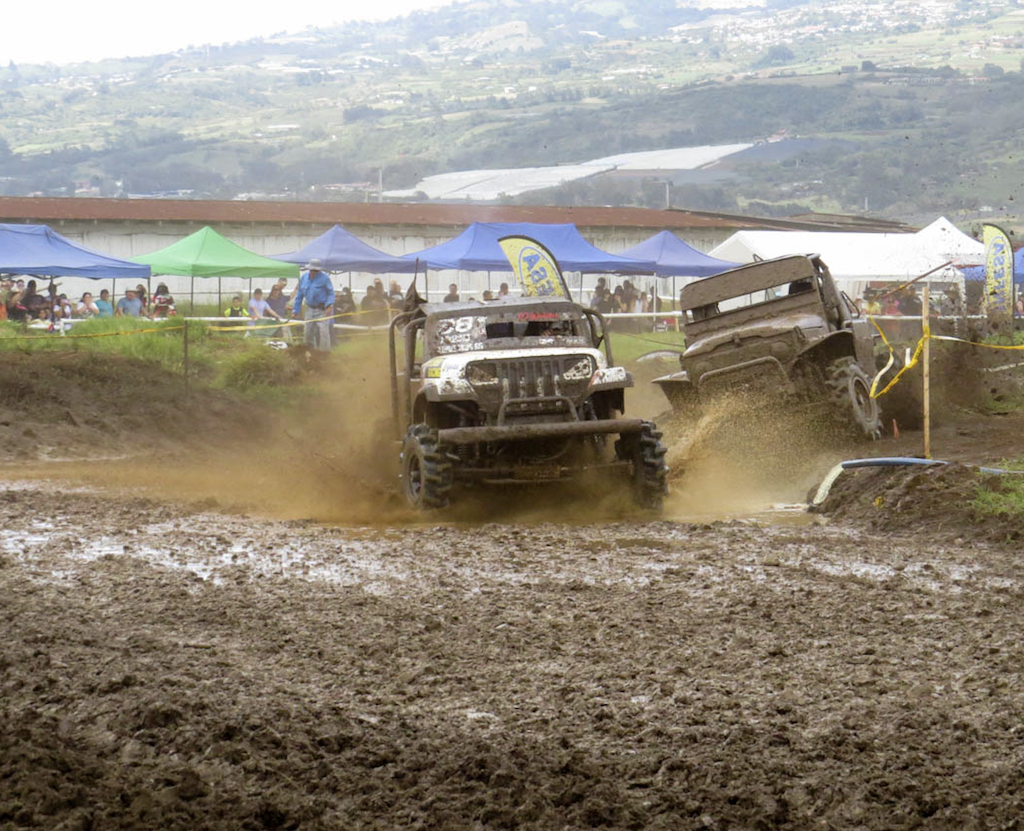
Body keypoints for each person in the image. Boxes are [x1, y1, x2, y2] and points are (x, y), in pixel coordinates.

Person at [291, 258, 335, 351]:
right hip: (309, 309)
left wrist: (329, 305)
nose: (314, 272)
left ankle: (325, 354)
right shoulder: (303, 278)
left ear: (319, 270)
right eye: (312, 270)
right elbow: (299, 295)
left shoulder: (325, 278)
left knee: (324, 332)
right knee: (307, 333)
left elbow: (331, 293)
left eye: (316, 270)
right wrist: (296, 310)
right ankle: (310, 353)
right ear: (309, 269)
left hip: (322, 310)